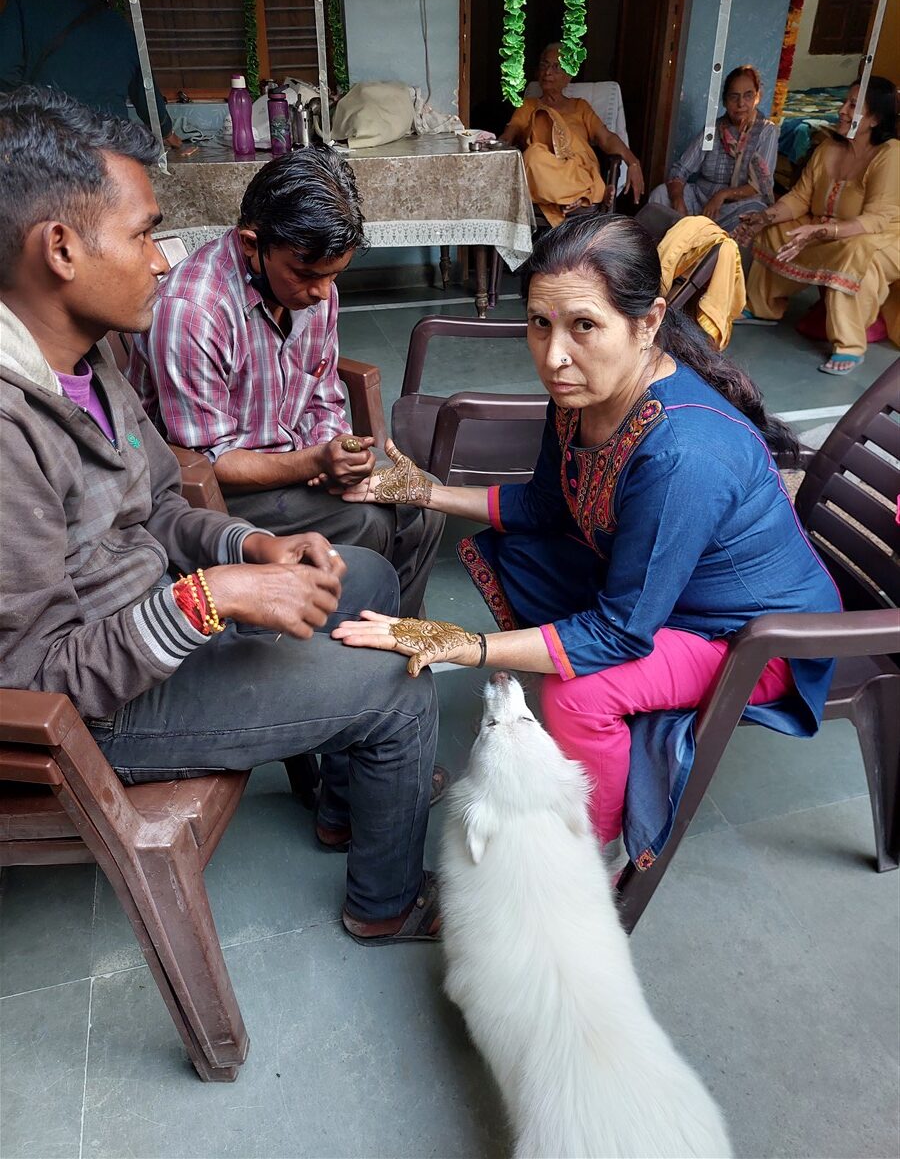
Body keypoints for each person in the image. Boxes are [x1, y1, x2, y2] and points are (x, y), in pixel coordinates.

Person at [0, 86, 440, 946]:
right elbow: (34, 679)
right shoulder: (9, 434)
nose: (162, 261)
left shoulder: (86, 365)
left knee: (376, 578)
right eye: (142, 233)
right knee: (397, 684)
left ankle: (345, 800)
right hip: (108, 709)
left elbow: (162, 502)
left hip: (152, 617)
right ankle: (384, 903)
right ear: (59, 248)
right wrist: (212, 599)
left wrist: (255, 545)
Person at [331, 214, 841, 868]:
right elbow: (545, 505)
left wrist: (464, 646)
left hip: (757, 637)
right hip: (673, 597)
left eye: (584, 326)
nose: (553, 356)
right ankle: (582, 715)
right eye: (540, 324)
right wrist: (424, 491)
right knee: (513, 551)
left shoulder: (684, 451)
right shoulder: (577, 396)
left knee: (580, 690)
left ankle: (584, 854)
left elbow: (625, 631)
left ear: (649, 322)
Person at [128, 148, 443, 617]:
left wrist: (334, 454)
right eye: (306, 274)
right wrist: (313, 462)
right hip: (219, 491)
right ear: (252, 244)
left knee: (423, 497)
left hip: (296, 461)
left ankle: (395, 627)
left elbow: (322, 397)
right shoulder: (193, 311)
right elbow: (210, 463)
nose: (321, 292)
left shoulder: (317, 289)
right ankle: (343, 645)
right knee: (367, 521)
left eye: (334, 275)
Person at [737, 77, 899, 376]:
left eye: (853, 105)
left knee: (855, 251)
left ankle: (850, 346)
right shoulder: (827, 148)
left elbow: (878, 219)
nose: (842, 110)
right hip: (827, 225)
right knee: (774, 230)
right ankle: (762, 308)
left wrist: (823, 231)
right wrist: (767, 216)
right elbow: (800, 198)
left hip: (881, 236)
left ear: (875, 118)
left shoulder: (889, 154)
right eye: (845, 102)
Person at [0, 0, 181, 147]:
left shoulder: (26, 2)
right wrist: (167, 132)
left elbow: (4, 72)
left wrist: (23, 121)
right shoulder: (118, 26)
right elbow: (146, 92)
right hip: (107, 147)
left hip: (44, 143)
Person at [499, 42, 644, 226]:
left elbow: (606, 138)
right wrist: (491, 144)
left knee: (542, 163)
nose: (547, 72)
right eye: (544, 65)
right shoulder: (528, 106)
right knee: (533, 155)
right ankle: (586, 194)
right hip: (546, 171)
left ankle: (575, 193)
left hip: (577, 169)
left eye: (556, 67)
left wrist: (633, 161)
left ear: (568, 76)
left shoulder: (579, 106)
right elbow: (508, 136)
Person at [648, 65, 778, 233]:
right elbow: (680, 170)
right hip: (700, 201)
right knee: (660, 194)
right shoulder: (714, 129)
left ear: (757, 97)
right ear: (725, 101)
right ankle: (655, 254)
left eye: (748, 96)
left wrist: (721, 195)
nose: (741, 104)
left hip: (734, 208)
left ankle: (707, 245)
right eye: (734, 97)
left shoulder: (767, 131)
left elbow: (759, 186)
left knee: (753, 211)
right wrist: (678, 200)